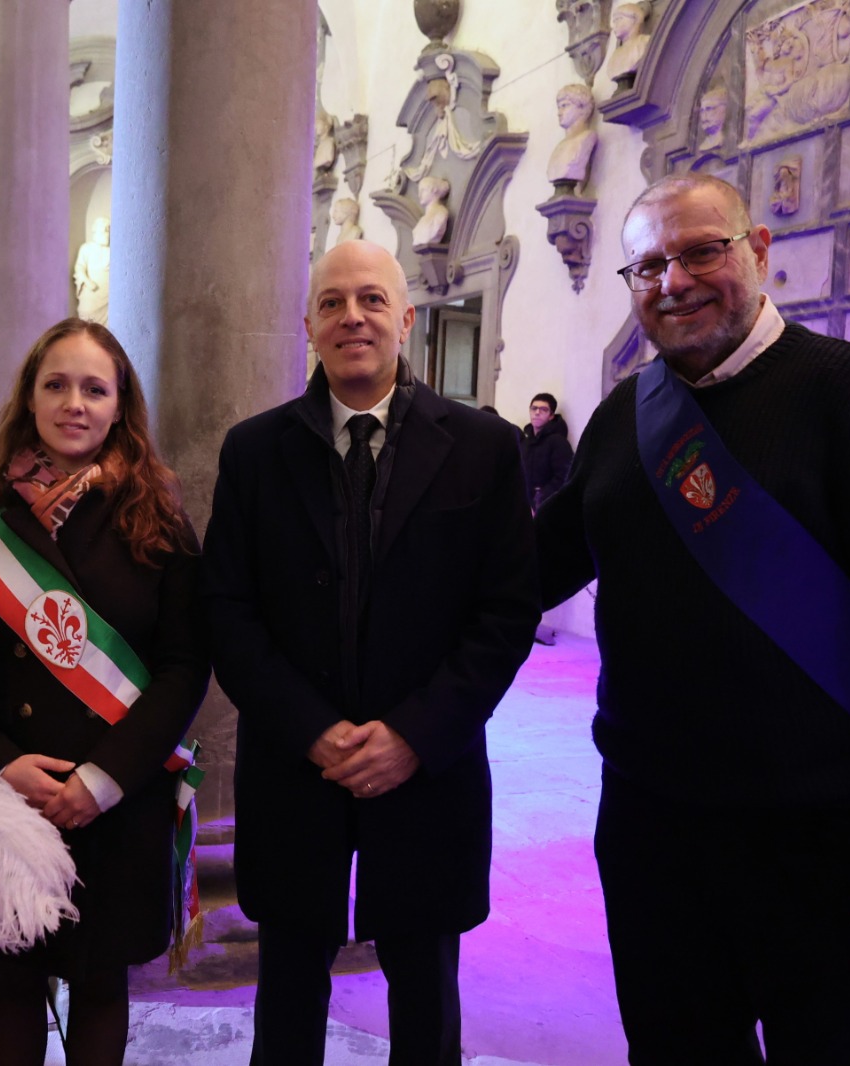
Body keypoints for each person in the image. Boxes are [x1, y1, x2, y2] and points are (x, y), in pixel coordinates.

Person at [535, 172, 850, 1062]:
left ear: (757, 253)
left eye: (702, 250)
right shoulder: (624, 420)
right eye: (648, 266)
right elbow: (526, 570)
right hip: (654, 838)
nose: (674, 280)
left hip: (831, 847)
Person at [203, 240, 539, 1066]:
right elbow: (228, 612)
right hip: (295, 767)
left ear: (407, 319)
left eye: (371, 300)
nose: (352, 316)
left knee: (425, 987)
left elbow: (504, 613)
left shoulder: (484, 448)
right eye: (331, 303)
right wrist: (312, 730)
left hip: (429, 768)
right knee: (288, 984)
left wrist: (415, 736)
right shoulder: (254, 452)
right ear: (308, 325)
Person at [0, 318, 208, 1066]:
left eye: (95, 388)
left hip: (118, 789)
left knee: (100, 980)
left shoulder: (161, 520)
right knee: (16, 976)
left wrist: (104, 778)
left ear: (121, 405)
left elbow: (186, 666)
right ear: (29, 398)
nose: (74, 403)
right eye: (56, 384)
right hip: (11, 786)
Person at [520, 392, 572, 512]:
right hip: (525, 507)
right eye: (534, 408)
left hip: (548, 508)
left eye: (543, 409)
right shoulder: (525, 443)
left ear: (551, 416)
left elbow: (564, 476)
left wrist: (540, 499)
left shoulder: (558, 442)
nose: (537, 412)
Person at [73, 217, 112, 325]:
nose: (107, 234)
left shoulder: (111, 251)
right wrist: (87, 281)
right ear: (97, 231)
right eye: (104, 230)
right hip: (91, 292)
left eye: (108, 230)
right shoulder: (86, 248)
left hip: (107, 294)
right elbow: (80, 267)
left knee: (107, 324)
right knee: (86, 313)